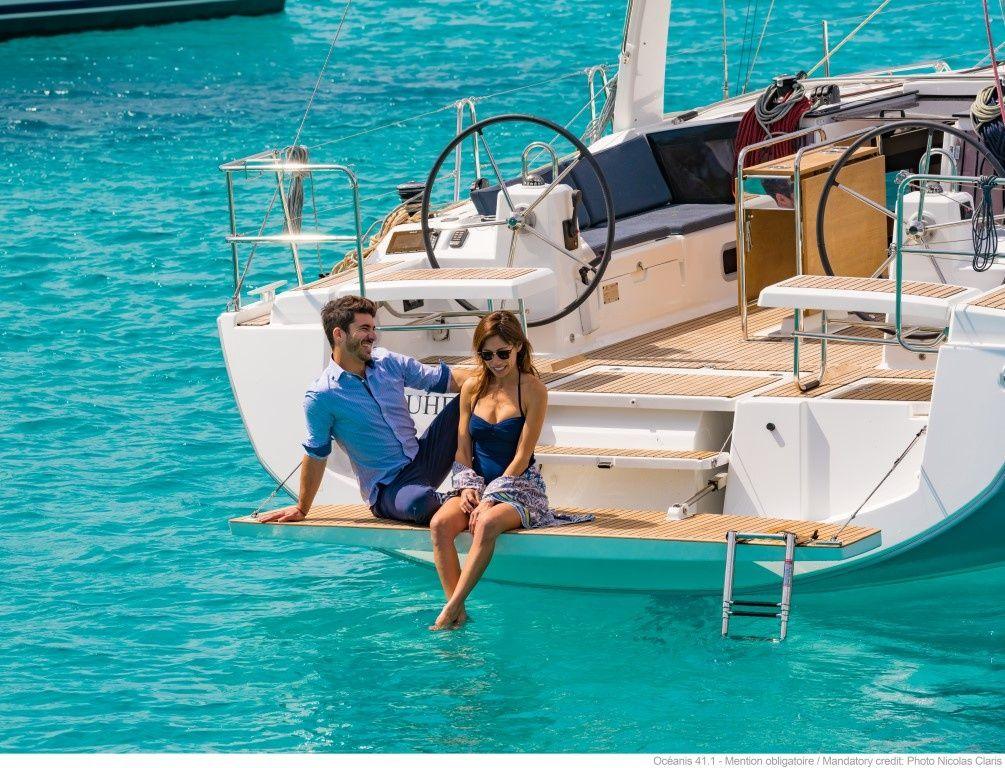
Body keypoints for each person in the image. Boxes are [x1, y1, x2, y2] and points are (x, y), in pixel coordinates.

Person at [428, 311, 592, 630]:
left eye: (503, 353)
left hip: (519, 488)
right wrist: (467, 487)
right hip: (476, 485)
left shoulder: (533, 390)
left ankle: (450, 610)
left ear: (518, 346)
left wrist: (491, 498)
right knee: (439, 524)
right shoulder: (472, 388)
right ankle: (458, 614)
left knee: (486, 523)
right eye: (487, 354)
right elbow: (462, 448)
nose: (496, 361)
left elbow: (522, 456)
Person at [257, 295, 470, 526]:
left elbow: (448, 380)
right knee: (419, 503)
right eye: (364, 329)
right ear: (339, 334)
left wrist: (496, 378)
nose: (373, 336)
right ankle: (464, 502)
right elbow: (316, 454)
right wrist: (302, 507)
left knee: (472, 395)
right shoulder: (322, 395)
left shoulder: (387, 361)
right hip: (389, 487)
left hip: (422, 457)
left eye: (373, 328)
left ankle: (489, 484)